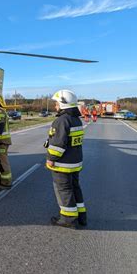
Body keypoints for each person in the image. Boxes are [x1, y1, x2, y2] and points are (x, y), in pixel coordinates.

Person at [45, 89, 86, 229]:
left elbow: (58, 145)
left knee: (64, 190)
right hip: (75, 162)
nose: (55, 106)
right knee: (75, 188)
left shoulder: (61, 121)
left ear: (63, 104)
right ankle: (81, 216)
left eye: (56, 103)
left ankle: (68, 218)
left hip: (63, 164)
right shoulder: (76, 120)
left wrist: (51, 158)